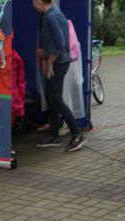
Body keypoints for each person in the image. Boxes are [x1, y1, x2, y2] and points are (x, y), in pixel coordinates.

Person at [33, 0, 86, 152]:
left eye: (34, 2)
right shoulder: (52, 13)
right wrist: (44, 52)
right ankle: (54, 135)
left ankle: (76, 133)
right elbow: (55, 41)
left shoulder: (51, 16)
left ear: (39, 1)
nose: (32, 5)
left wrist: (49, 63)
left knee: (56, 99)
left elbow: (60, 44)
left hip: (58, 63)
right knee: (52, 99)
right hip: (57, 61)